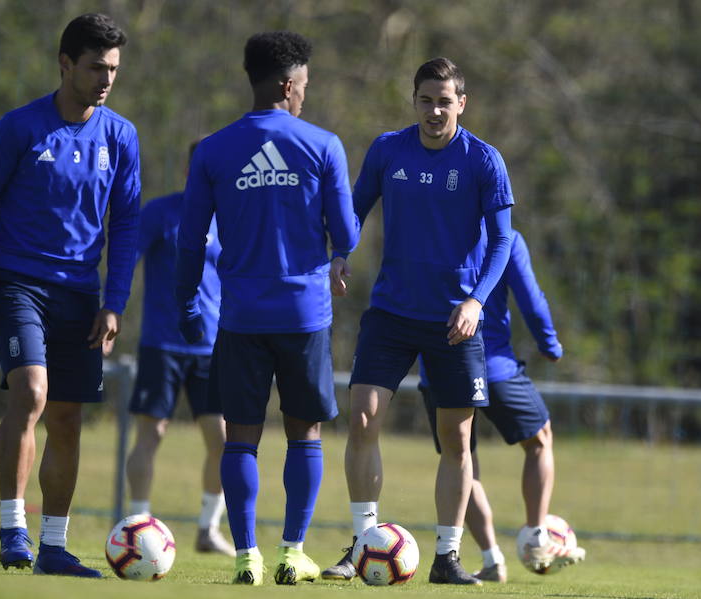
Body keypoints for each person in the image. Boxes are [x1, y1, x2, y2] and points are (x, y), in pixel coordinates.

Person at [0, 13, 140, 578]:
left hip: (82, 295)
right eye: (94, 67)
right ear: (65, 64)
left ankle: (54, 548)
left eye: (112, 69)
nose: (105, 79)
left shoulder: (121, 135)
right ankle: (14, 530)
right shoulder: (19, 128)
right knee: (31, 394)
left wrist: (114, 301)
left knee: (66, 419)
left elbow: (126, 224)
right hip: (19, 285)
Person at [175, 31, 359, 586]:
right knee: (304, 435)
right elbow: (346, 231)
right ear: (286, 85)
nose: (305, 95)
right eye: (303, 86)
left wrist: (188, 301)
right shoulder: (323, 144)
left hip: (240, 316)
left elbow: (190, 240)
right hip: (303, 316)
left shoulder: (212, 149)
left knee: (240, 437)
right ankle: (290, 552)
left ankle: (246, 557)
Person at [323, 57, 514, 585]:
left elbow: (502, 242)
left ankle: (447, 558)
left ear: (461, 104)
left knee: (456, 441)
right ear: (414, 101)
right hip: (391, 312)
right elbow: (355, 210)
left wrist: (475, 301)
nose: (435, 110)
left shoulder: (484, 161)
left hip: (455, 320)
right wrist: (340, 252)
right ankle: (363, 545)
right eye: (426, 100)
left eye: (445, 101)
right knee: (362, 417)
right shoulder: (389, 149)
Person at [419, 229, 586, 582]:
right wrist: (549, 342)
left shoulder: (428, 235)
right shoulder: (506, 238)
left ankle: (491, 558)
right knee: (539, 439)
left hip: (438, 366)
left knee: (460, 459)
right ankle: (537, 535)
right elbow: (531, 298)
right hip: (494, 365)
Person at [124, 141, 234, 557]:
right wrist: (111, 309)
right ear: (191, 172)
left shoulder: (232, 220)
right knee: (151, 435)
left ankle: (208, 529)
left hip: (212, 349)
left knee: (223, 442)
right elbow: (125, 261)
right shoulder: (159, 212)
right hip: (162, 345)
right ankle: (137, 523)